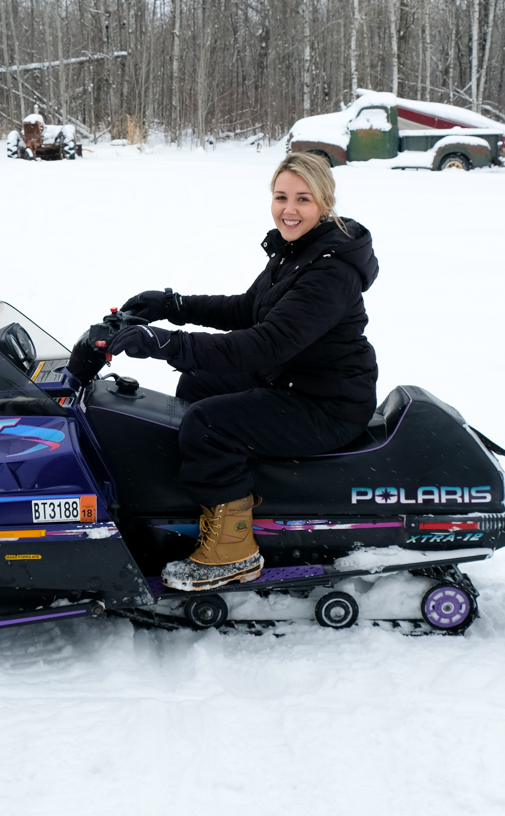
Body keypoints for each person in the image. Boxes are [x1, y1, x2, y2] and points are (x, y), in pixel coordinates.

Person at [105, 152, 380, 592]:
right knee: (200, 384)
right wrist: (174, 306)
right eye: (281, 196)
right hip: (292, 379)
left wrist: (165, 344)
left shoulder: (330, 272)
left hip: (326, 403)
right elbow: (246, 309)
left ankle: (234, 550)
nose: (289, 209)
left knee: (208, 424)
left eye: (303, 199)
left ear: (325, 202)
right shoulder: (299, 250)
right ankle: (215, 497)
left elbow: (264, 343)